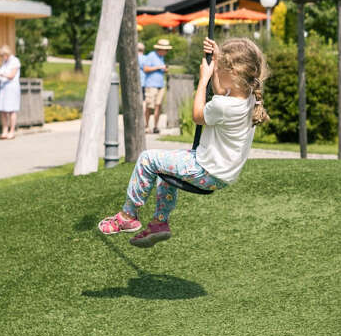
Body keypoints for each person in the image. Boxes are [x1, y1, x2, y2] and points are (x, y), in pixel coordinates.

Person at [98, 37, 270, 248]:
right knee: (165, 171)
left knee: (147, 159)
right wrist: (216, 60)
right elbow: (220, 92)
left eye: (221, 68)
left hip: (205, 170)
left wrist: (203, 79)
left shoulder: (225, 106)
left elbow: (197, 115)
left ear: (232, 73)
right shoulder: (249, 97)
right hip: (222, 173)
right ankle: (159, 223)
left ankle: (128, 216)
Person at [0, 45, 21, 140]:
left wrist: (0, 73)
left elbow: (11, 75)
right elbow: (2, 73)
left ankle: (12, 131)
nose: (2, 57)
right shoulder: (4, 62)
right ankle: (4, 131)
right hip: (3, 88)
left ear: (6, 54)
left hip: (11, 88)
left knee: (11, 110)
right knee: (2, 110)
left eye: (2, 55)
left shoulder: (15, 61)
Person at [143, 38, 171, 134]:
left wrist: (165, 69)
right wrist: (158, 67)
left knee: (158, 106)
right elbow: (145, 69)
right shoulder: (151, 56)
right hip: (151, 85)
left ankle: (155, 126)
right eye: (166, 50)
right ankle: (146, 126)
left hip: (160, 85)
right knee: (149, 106)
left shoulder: (161, 58)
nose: (167, 52)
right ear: (160, 49)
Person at [137, 42, 146, 111]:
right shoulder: (146, 58)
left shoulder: (132, 58)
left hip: (134, 82)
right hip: (144, 82)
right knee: (143, 100)